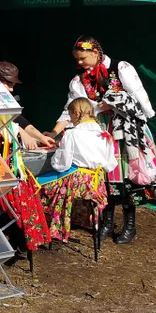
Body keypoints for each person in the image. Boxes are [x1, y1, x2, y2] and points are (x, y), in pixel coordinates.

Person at [46, 36, 156, 245]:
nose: (79, 63)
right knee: (105, 178)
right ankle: (106, 221)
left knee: (127, 177)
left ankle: (129, 224)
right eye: (77, 59)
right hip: (98, 132)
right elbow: (71, 109)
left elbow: (139, 95)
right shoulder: (78, 81)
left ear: (95, 53)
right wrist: (53, 133)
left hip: (125, 131)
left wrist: (143, 119)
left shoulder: (121, 68)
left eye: (82, 58)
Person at [40, 97, 118, 241]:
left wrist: (57, 152)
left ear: (75, 113)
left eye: (70, 116)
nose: (70, 120)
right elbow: (110, 164)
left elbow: (63, 164)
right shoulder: (105, 135)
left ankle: (49, 228)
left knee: (41, 188)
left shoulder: (71, 134)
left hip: (75, 184)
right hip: (96, 186)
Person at [0, 61, 55, 150]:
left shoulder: (4, 96)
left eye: (13, 85)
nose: (11, 89)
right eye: (9, 84)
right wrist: (22, 134)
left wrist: (41, 137)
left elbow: (18, 119)